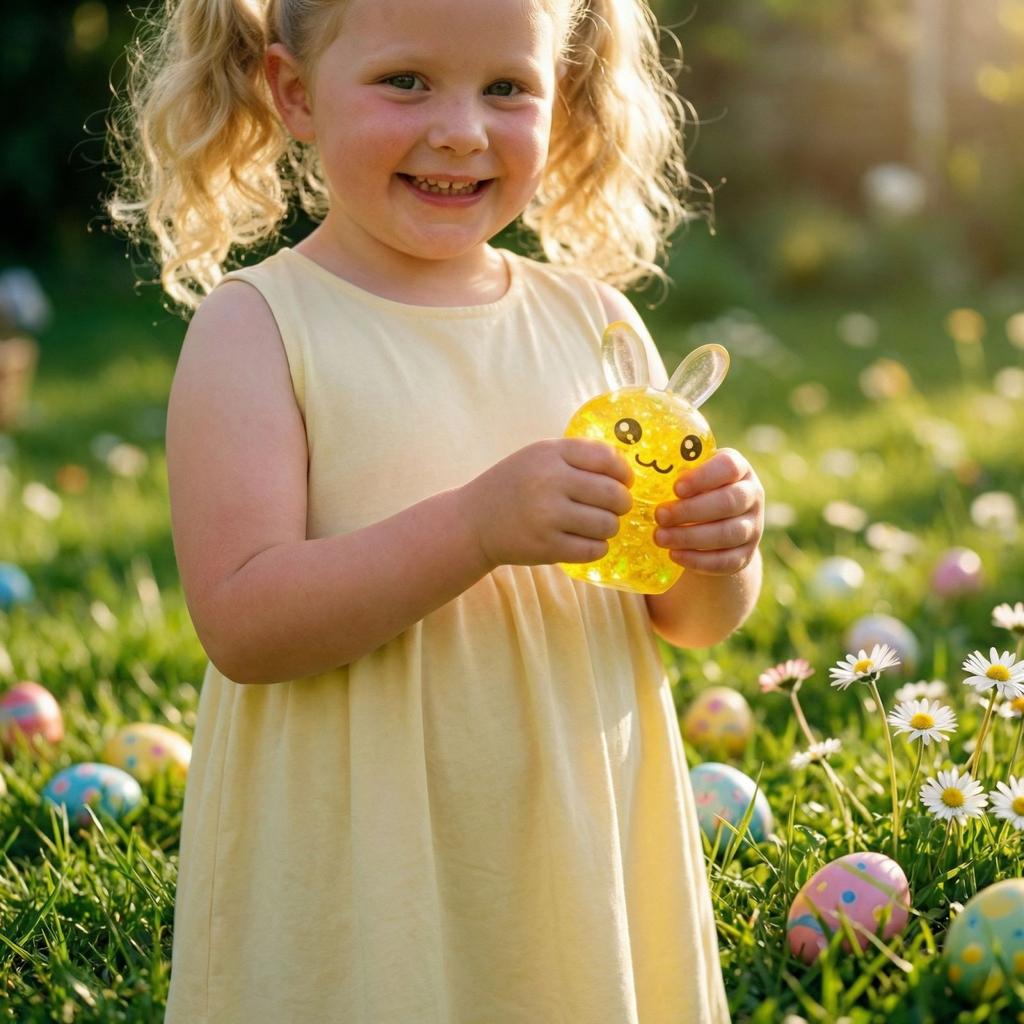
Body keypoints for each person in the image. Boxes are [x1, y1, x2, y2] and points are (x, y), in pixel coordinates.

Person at [107, 0, 764, 1020]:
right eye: (406, 80)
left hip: (563, 850)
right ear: (293, 92)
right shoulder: (262, 330)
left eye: (507, 88)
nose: (460, 128)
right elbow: (243, 622)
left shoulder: (593, 323)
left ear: (564, 98)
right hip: (364, 862)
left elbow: (684, 620)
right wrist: (471, 529)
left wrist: (716, 553)